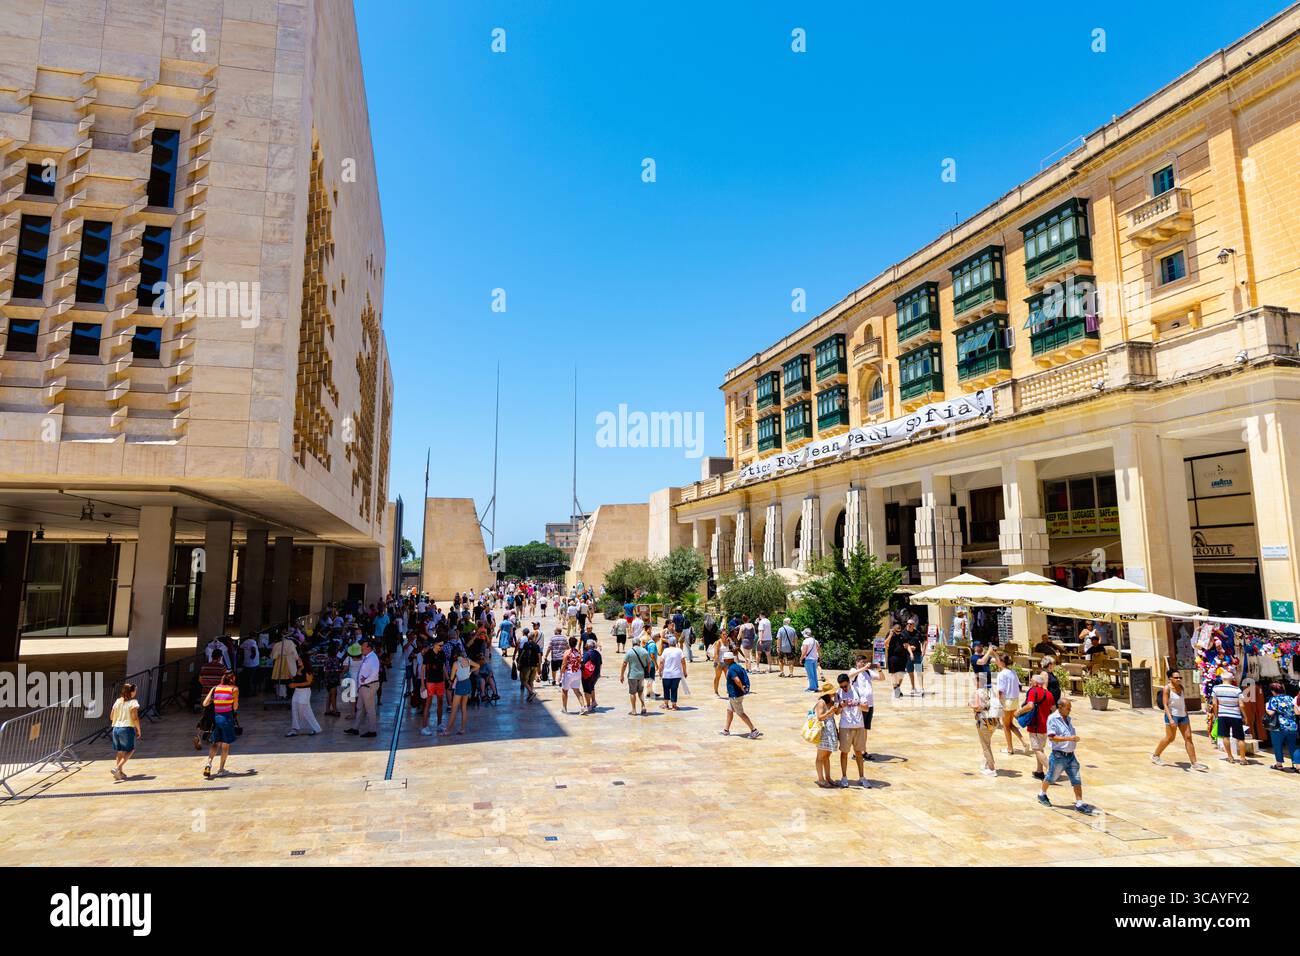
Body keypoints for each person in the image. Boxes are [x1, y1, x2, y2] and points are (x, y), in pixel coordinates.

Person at [1038, 697, 1094, 814]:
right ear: (1060, 707)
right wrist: (1070, 738)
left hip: (1071, 755)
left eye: (1070, 708)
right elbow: (1052, 737)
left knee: (1076, 778)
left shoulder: (1068, 718)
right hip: (1059, 755)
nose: (1070, 710)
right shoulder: (1053, 719)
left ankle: (1079, 803)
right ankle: (1042, 794)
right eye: (1068, 708)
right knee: (1051, 777)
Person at [1152, 670, 1205, 769]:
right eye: (1176, 678)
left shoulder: (1181, 688)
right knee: (1170, 738)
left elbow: (1183, 702)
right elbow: (1165, 705)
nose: (1178, 679)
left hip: (1183, 716)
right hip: (1173, 716)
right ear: (1170, 678)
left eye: (1179, 678)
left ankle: (1194, 763)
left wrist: (1187, 715)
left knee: (1188, 737)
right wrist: (1171, 719)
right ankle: (1156, 755)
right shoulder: (1167, 689)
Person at [835, 672, 870, 788]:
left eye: (845, 686)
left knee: (859, 752)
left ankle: (862, 777)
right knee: (844, 752)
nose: (844, 689)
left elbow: (866, 708)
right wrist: (841, 706)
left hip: (859, 726)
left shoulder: (858, 691)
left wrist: (857, 703)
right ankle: (844, 777)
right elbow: (836, 712)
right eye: (841, 686)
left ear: (849, 683)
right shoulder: (838, 694)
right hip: (845, 726)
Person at [1015, 672, 1053, 779]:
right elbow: (1053, 710)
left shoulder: (1033, 691)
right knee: (1040, 749)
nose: (1030, 681)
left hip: (1035, 725)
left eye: (1031, 680)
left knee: (1036, 749)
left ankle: (1051, 770)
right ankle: (1039, 771)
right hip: (1045, 726)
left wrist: (1019, 712)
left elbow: (1030, 705)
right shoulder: (1049, 694)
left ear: (1036, 682)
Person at [202, 670, 239, 779]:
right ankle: (221, 769)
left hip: (217, 718)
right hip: (227, 718)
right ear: (232, 679)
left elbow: (205, 703)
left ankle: (208, 763)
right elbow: (235, 707)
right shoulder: (234, 689)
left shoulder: (215, 688)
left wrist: (216, 700)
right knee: (225, 745)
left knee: (215, 743)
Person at [344, 639, 380, 738]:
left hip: (368, 686)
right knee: (360, 708)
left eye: (363, 647)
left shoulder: (372, 658)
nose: (361, 648)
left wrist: (365, 681)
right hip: (363, 687)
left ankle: (372, 730)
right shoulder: (367, 657)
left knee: (370, 709)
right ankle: (355, 728)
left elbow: (374, 673)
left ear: (369, 648)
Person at [1209, 670, 1246, 765]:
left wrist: (1217, 714)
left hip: (1223, 715)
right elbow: (1241, 705)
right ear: (1232, 679)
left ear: (1222, 679)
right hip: (1235, 715)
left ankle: (1230, 757)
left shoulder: (1216, 688)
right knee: (1240, 738)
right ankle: (1242, 759)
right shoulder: (1237, 689)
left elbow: (1214, 703)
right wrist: (1245, 716)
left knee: (1225, 736)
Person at [720, 651, 761, 738]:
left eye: (725, 659)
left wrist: (742, 688)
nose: (723, 661)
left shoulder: (731, 669)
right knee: (729, 711)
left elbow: (737, 680)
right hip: (734, 695)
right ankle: (726, 730)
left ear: (728, 660)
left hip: (735, 695)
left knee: (741, 713)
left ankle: (754, 730)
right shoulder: (737, 666)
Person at [1265, 682, 1300, 772]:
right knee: (1293, 746)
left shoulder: (1274, 699)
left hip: (1278, 726)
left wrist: (1266, 707)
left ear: (1273, 691)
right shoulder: (1290, 698)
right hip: (1292, 726)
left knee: (1277, 745)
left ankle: (1279, 764)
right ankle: (1297, 766)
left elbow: (1271, 713)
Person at [445, 646, 481, 735]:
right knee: (463, 708)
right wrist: (470, 671)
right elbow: (478, 665)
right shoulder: (467, 660)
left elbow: (452, 677)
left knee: (454, 709)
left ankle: (447, 730)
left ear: (454, 655)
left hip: (460, 685)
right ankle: (462, 729)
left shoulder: (456, 664)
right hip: (468, 683)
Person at [109, 683, 141, 781]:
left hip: (115, 729)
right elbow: (135, 718)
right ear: (131, 692)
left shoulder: (118, 701)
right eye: (135, 690)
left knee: (120, 752)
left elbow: (111, 716)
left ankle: (120, 773)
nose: (136, 692)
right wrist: (139, 730)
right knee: (131, 750)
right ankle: (117, 768)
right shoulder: (133, 702)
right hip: (126, 729)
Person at [995, 654, 1026, 755]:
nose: (997, 662)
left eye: (998, 661)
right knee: (1009, 724)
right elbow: (1019, 685)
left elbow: (1001, 690)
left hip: (1007, 701)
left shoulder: (1001, 674)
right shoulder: (1013, 672)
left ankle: (1009, 748)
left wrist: (998, 703)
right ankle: (1024, 742)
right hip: (1015, 700)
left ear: (1002, 663)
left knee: (1006, 726)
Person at [812, 682, 840, 788]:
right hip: (823, 732)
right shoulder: (821, 703)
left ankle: (828, 777)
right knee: (820, 757)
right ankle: (820, 779)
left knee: (827, 756)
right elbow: (820, 717)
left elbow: (837, 712)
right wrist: (829, 712)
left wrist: (838, 702)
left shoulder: (831, 702)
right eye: (832, 693)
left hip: (831, 730)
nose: (834, 694)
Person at [420, 637, 447, 735]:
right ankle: (424, 727)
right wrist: (422, 684)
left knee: (440, 703)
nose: (441, 647)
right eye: (440, 645)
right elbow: (422, 669)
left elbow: (443, 666)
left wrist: (447, 679)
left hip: (440, 681)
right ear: (435, 644)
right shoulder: (428, 654)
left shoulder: (442, 653)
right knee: (428, 704)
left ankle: (439, 724)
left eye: (442, 645)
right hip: (430, 682)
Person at [286, 659, 321, 737]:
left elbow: (308, 682)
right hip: (297, 691)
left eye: (300, 660)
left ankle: (315, 728)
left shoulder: (308, 670)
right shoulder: (299, 668)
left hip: (305, 692)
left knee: (305, 710)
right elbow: (298, 679)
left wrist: (295, 684)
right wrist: (292, 677)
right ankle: (295, 729)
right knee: (294, 708)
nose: (298, 662)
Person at [970, 682, 997, 776]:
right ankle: (987, 763)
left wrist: (971, 705)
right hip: (994, 721)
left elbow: (977, 707)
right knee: (987, 742)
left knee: (985, 746)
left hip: (983, 721)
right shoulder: (993, 691)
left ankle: (992, 768)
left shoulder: (978, 692)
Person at [620, 635, 651, 716]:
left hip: (632, 675)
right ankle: (643, 706)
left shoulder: (629, 652)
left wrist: (622, 675)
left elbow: (624, 664)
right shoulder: (644, 651)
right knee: (640, 691)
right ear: (639, 643)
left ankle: (634, 710)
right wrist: (647, 671)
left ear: (632, 643)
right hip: (641, 675)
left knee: (632, 693)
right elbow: (649, 663)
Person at [659, 635, 686, 710]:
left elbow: (661, 662)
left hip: (666, 674)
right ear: (675, 642)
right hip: (677, 674)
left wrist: (660, 671)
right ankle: (674, 705)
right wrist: (685, 671)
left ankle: (666, 704)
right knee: (674, 689)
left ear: (669, 643)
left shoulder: (665, 650)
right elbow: (683, 662)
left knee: (666, 688)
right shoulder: (679, 650)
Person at [516, 628, 542, 703]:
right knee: (531, 681)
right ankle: (530, 696)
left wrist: (519, 662)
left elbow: (522, 653)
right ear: (534, 637)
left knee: (524, 681)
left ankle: (531, 692)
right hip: (534, 666)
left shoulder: (526, 644)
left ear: (528, 637)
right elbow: (539, 656)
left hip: (527, 665)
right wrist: (539, 666)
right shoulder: (536, 646)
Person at [560, 637, 584, 713]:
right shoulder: (578, 652)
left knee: (564, 690)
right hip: (577, 673)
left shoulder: (567, 652)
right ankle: (583, 706)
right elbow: (580, 661)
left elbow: (564, 664)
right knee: (577, 691)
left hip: (569, 673)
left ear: (569, 644)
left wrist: (560, 675)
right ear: (576, 643)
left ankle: (564, 708)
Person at [884, 622, 908, 698]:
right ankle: (897, 691)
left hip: (902, 658)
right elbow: (885, 643)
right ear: (894, 630)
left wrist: (908, 649)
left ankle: (897, 688)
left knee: (901, 675)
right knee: (894, 675)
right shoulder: (890, 634)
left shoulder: (902, 636)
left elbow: (906, 644)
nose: (899, 632)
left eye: (900, 631)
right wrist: (890, 635)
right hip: (892, 658)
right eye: (897, 631)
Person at [902, 618, 924, 696]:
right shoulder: (903, 633)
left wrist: (923, 651)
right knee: (910, 672)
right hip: (908, 655)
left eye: (910, 624)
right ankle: (913, 687)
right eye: (907, 623)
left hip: (918, 654)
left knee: (919, 672)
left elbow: (923, 641)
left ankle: (921, 688)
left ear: (913, 625)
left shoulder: (917, 633)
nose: (908, 625)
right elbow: (903, 644)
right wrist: (909, 647)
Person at [581, 638, 602, 714]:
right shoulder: (598, 653)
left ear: (588, 645)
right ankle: (593, 702)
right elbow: (600, 664)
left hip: (588, 674)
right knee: (592, 687)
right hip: (596, 674)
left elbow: (583, 663)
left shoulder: (587, 653)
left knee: (587, 690)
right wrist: (599, 673)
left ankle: (588, 705)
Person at [800, 628, 820, 692]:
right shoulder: (814, 640)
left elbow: (804, 651)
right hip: (814, 658)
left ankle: (812, 688)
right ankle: (815, 686)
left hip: (808, 659)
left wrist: (801, 658)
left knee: (810, 674)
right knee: (814, 673)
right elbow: (818, 648)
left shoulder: (805, 641)